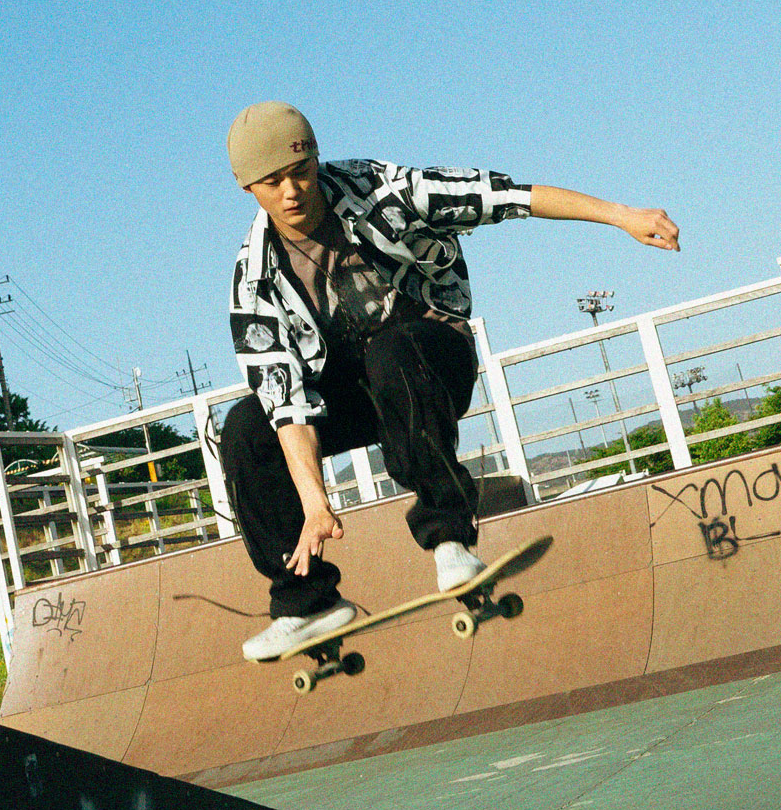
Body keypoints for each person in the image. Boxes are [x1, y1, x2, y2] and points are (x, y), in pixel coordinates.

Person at [219, 102, 679, 662]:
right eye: (273, 183)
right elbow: (286, 402)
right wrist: (315, 502)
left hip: (432, 359)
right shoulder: (255, 281)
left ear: (316, 160)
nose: (292, 192)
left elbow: (507, 196)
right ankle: (305, 601)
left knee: (391, 349)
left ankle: (450, 540)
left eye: (302, 173)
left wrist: (621, 215)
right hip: (357, 396)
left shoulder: (382, 190)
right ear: (247, 186)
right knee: (246, 427)